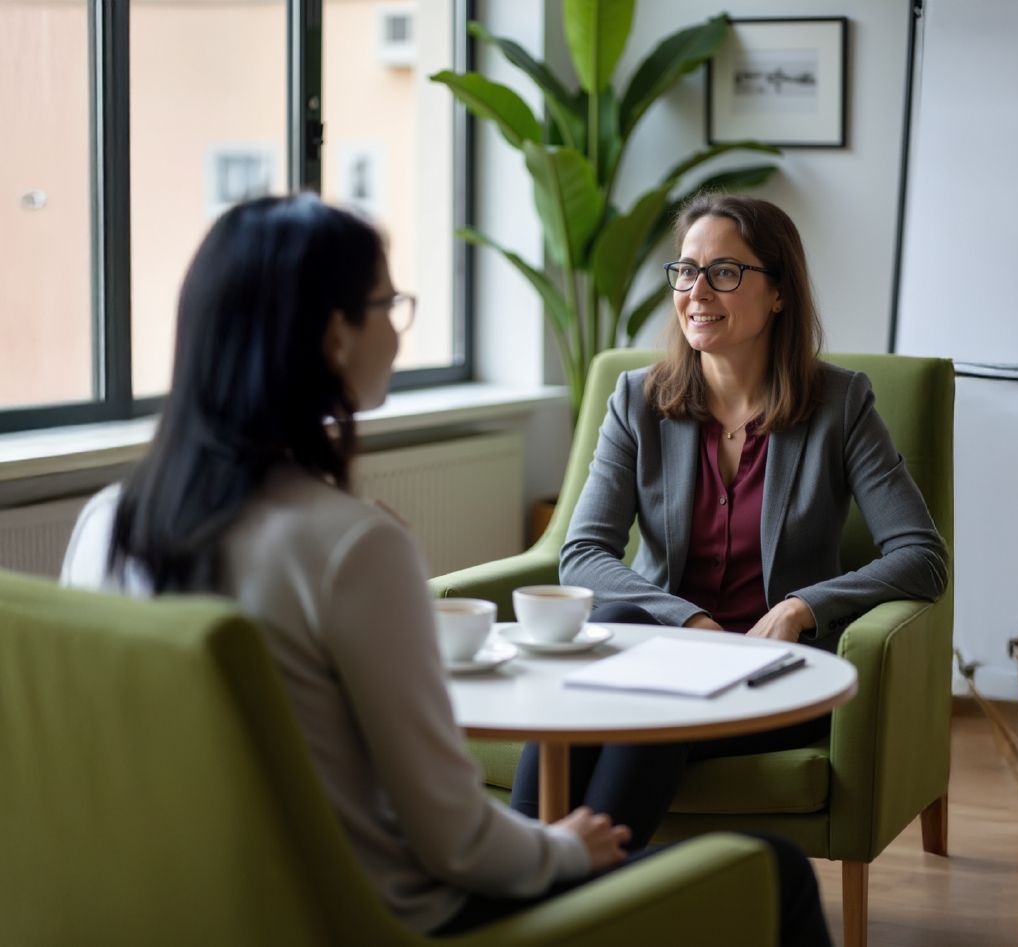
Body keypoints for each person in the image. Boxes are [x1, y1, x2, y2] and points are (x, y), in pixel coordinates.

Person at [59, 194, 829, 944]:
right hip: (387, 915)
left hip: (192, 909)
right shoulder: (352, 549)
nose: (398, 330)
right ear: (335, 336)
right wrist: (564, 847)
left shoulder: (106, 523)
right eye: (388, 303)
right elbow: (455, 839)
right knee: (778, 875)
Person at [511, 193, 949, 850]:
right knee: (623, 648)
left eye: (725, 271)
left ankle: (567, 891)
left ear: (778, 293)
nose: (696, 290)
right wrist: (685, 621)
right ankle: (529, 877)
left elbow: (921, 554)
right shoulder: (639, 400)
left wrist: (805, 605)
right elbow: (583, 554)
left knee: (640, 698)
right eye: (686, 270)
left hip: (768, 673)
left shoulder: (840, 404)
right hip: (653, 651)